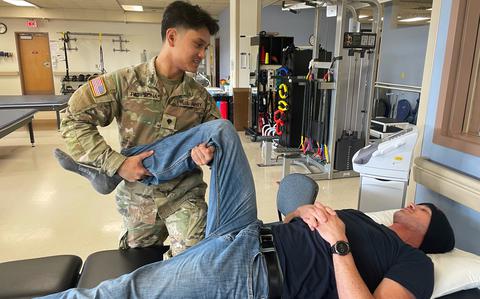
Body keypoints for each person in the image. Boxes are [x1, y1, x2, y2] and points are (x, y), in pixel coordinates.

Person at [43, 119, 455, 299]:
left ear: (428, 234)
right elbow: (296, 220)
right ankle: (117, 169)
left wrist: (340, 245)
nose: (414, 204)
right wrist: (300, 215)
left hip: (252, 274)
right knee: (221, 132)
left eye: (424, 210)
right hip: (248, 231)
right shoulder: (367, 219)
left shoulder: (413, 264)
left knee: (123, 292)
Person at [57, 0, 220, 258]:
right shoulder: (124, 82)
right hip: (139, 197)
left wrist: (207, 153)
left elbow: (217, 141)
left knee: (192, 259)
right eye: (198, 45)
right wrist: (116, 163)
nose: (202, 54)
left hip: (184, 194)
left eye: (205, 47)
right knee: (138, 263)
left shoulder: (200, 97)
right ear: (172, 36)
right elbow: (73, 118)